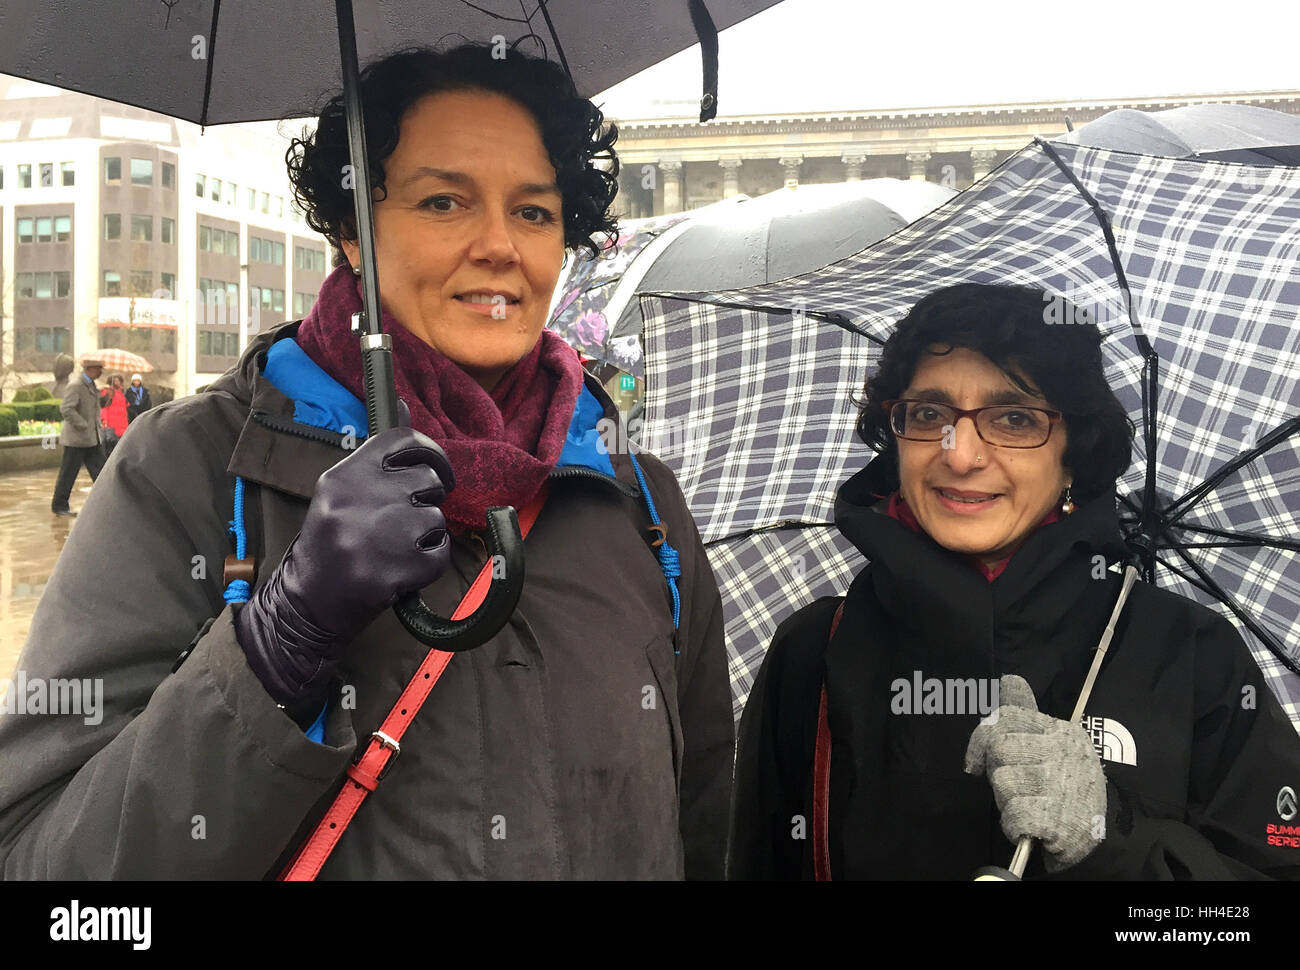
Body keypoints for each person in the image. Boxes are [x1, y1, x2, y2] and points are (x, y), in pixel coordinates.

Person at [0, 41, 733, 880]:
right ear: (352, 232)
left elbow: (702, 816)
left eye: (534, 211)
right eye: (444, 201)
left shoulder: (637, 499)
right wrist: (278, 646)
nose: (500, 245)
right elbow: (48, 872)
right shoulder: (191, 470)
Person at [728, 282, 1300, 880]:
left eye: (1014, 418)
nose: (960, 455)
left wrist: (1112, 840)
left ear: (1075, 452)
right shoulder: (815, 652)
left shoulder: (1189, 656)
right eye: (928, 414)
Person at [50, 357, 108, 517]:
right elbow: (66, 409)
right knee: (68, 474)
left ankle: (109, 502)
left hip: (92, 439)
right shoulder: (76, 385)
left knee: (102, 472)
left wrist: (107, 396)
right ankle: (59, 505)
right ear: (89, 369)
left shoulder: (91, 385)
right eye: (99, 368)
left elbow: (95, 408)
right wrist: (82, 424)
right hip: (76, 440)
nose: (101, 372)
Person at [100, 374, 129, 454]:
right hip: (112, 422)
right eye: (115, 381)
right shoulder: (107, 391)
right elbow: (104, 407)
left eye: (118, 381)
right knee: (111, 445)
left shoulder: (122, 393)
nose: (117, 382)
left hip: (122, 422)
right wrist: (104, 420)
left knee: (121, 446)